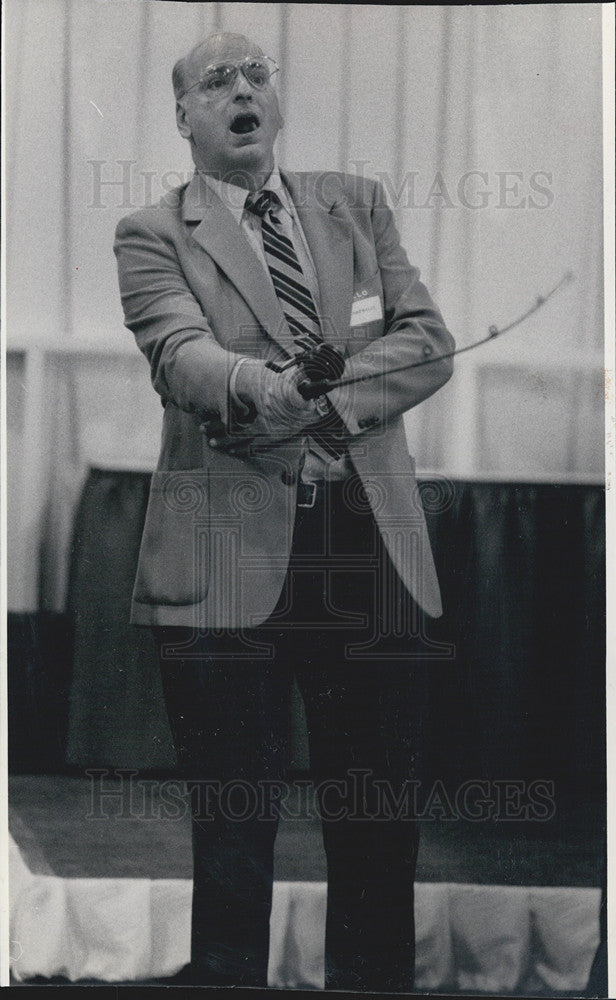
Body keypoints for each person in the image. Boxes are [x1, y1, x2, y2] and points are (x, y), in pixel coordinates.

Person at [114, 31, 455, 992]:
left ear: (277, 98)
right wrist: (264, 389)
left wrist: (327, 399)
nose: (241, 90)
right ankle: (227, 980)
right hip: (225, 550)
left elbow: (427, 341)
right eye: (214, 81)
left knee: (380, 810)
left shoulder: (357, 204)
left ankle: (373, 979)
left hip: (372, 543)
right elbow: (179, 356)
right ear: (183, 115)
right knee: (233, 812)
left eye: (255, 72)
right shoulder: (151, 232)